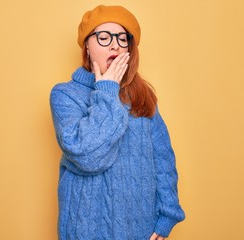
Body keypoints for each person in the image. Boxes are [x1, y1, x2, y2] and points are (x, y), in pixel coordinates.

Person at [50, 5, 185, 240]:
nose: (115, 44)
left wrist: (167, 216)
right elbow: (87, 156)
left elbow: (163, 160)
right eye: (103, 37)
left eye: (122, 39)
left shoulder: (143, 97)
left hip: (140, 227)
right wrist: (107, 89)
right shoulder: (64, 95)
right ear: (87, 49)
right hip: (85, 228)